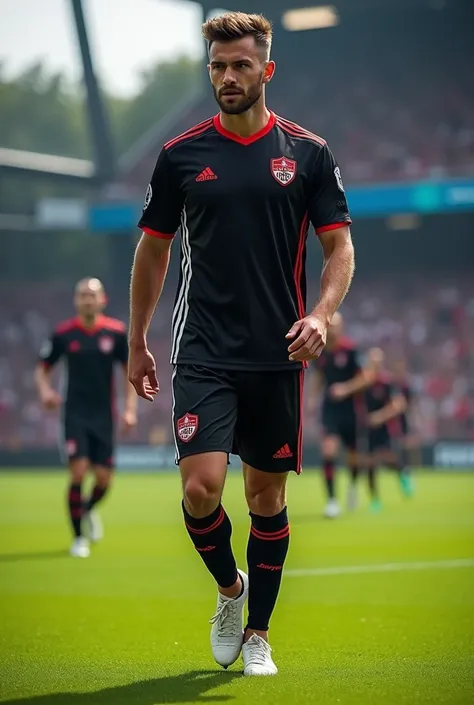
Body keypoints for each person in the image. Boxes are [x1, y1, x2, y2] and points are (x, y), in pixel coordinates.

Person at [128, 11, 354, 676]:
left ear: (267, 69)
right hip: (201, 347)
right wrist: (138, 338)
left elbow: (339, 248)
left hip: (280, 353)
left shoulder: (309, 154)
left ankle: (259, 633)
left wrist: (320, 314)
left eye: (240, 65)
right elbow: (152, 252)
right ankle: (231, 589)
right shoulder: (180, 156)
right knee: (201, 488)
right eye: (218, 66)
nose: (227, 76)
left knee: (265, 499)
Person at [35, 278, 137, 558]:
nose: (87, 300)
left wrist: (130, 409)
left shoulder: (115, 333)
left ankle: (87, 510)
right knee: (78, 471)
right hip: (75, 414)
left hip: (105, 416)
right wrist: (45, 392)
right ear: (76, 301)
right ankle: (78, 538)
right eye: (82, 295)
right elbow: (42, 368)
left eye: (92, 295)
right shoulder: (64, 335)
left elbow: (130, 372)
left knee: (104, 480)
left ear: (102, 300)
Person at [311, 312, 369, 518]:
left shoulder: (351, 351)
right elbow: (318, 377)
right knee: (328, 451)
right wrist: (311, 399)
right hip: (330, 410)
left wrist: (345, 389)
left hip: (351, 410)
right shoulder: (321, 353)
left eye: (336, 325)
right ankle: (332, 501)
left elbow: (365, 379)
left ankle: (353, 486)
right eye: (330, 325)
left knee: (353, 457)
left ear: (342, 328)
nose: (333, 328)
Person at [364, 348, 407, 511]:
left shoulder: (387, 383)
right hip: (367, 429)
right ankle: (375, 500)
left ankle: (402, 471)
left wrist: (380, 417)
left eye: (377, 362)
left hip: (384, 429)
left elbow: (399, 404)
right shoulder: (363, 381)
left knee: (388, 459)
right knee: (369, 464)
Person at [389, 359, 416, 496]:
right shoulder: (389, 385)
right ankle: (402, 472)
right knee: (391, 453)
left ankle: (406, 473)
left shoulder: (406, 387)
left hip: (401, 421)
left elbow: (410, 405)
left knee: (404, 448)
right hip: (388, 421)